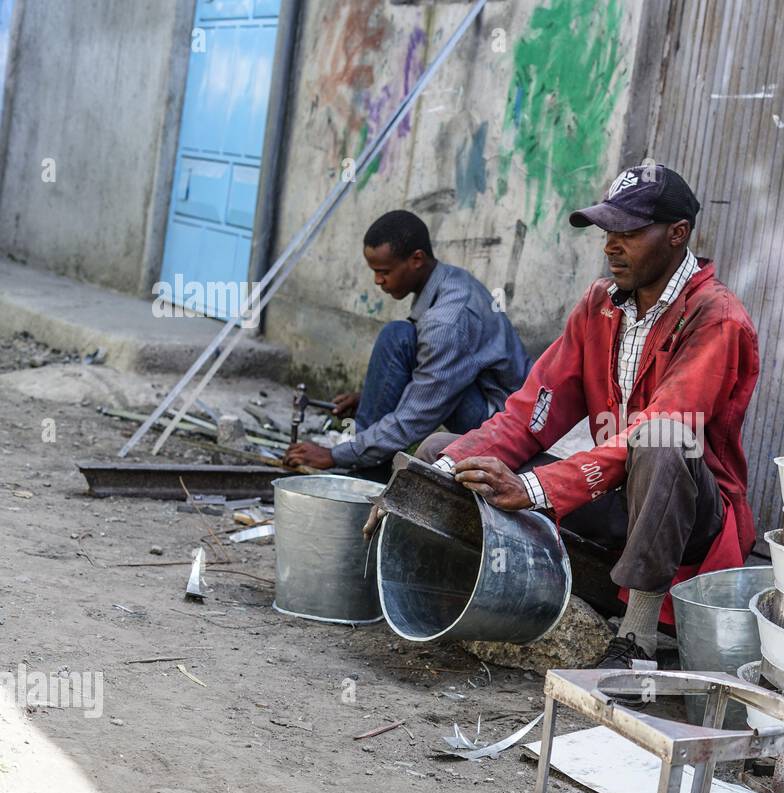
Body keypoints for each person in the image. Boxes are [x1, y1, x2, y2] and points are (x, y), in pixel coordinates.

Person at [369, 165, 759, 667]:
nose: (610, 246)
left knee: (661, 441)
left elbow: (658, 427)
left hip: (691, 521)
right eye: (608, 232)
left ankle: (635, 640)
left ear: (678, 234)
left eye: (630, 233)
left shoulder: (716, 317)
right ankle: (447, 592)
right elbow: (528, 414)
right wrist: (421, 484)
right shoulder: (601, 304)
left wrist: (535, 489)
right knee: (442, 453)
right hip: (615, 495)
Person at [284, 210, 531, 476]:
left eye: (384, 272)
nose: (378, 281)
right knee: (399, 335)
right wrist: (376, 395)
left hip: (502, 423)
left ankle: (365, 473)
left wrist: (335, 455)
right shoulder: (450, 280)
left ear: (416, 259)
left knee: (397, 338)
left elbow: (416, 417)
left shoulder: (446, 322)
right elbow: (429, 373)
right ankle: (367, 461)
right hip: (484, 396)